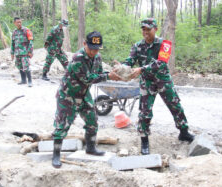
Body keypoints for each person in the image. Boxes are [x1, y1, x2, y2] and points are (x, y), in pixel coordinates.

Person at [116, 18, 194, 155]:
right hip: (147, 82)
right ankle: (144, 140)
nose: (145, 32)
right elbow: (130, 60)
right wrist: (123, 67)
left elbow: (162, 63)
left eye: (148, 29)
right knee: (145, 112)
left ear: (155, 29)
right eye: (143, 29)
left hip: (163, 80)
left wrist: (141, 69)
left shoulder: (165, 44)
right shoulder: (137, 46)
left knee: (175, 106)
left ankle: (184, 132)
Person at [52, 31, 122, 168]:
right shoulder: (78, 58)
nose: (93, 52)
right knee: (63, 125)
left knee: (92, 120)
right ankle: (56, 154)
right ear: (84, 44)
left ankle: (90, 148)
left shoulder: (97, 57)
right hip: (68, 95)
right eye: (91, 48)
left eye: (97, 49)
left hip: (84, 94)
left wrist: (114, 72)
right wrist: (108, 76)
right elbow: (87, 78)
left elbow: (99, 73)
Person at [11, 17, 34, 87]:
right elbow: (12, 43)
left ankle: (30, 81)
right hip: (17, 53)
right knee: (19, 66)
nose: (19, 24)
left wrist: (30, 51)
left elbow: (31, 42)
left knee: (26, 67)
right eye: (17, 22)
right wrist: (12, 53)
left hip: (25, 52)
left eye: (20, 22)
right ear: (14, 23)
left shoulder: (26, 30)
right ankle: (23, 80)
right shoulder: (14, 32)